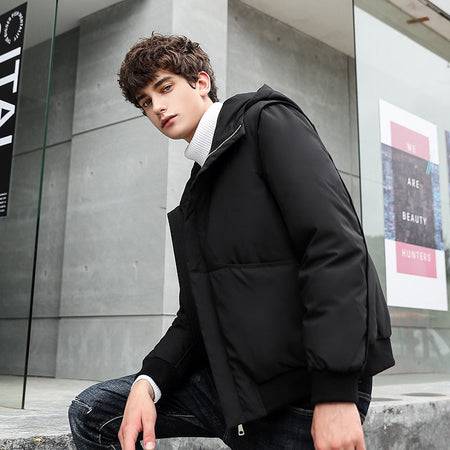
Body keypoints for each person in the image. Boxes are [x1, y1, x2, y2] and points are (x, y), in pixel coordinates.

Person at [68, 33, 394, 450]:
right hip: (239, 385)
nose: (157, 107)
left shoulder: (266, 122)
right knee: (95, 412)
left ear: (201, 82)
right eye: (145, 102)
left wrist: (335, 392)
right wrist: (148, 382)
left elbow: (335, 247)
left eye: (165, 88)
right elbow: (196, 316)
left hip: (306, 387)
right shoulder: (197, 191)